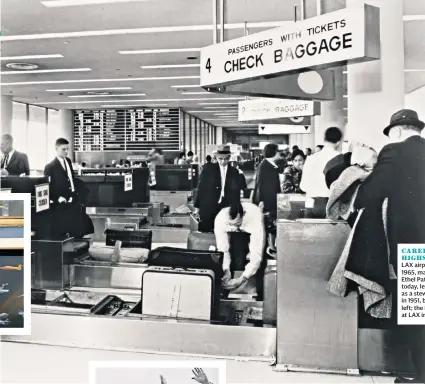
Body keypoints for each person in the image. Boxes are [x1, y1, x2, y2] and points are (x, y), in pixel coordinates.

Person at [353, 109, 425, 384]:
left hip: (414, 246)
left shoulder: (393, 151)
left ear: (395, 132)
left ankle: (420, 376)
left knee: (417, 311)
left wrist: (367, 167)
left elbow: (369, 196)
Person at [215, 189, 265, 291]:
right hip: (234, 240)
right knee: (235, 254)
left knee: (258, 263)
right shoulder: (220, 219)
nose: (234, 226)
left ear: (243, 215)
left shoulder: (254, 216)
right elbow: (223, 249)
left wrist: (243, 278)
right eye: (231, 224)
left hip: (251, 231)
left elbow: (256, 253)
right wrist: (226, 270)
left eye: (237, 223)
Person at [194, 145, 242, 232]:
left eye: (226, 159)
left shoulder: (234, 171)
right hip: (209, 206)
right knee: (207, 231)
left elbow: (236, 192)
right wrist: (197, 206)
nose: (223, 161)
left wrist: (238, 210)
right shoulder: (208, 169)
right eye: (220, 159)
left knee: (224, 232)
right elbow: (201, 188)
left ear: (229, 157)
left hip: (226, 207)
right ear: (216, 157)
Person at [44, 138, 82, 238]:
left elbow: (71, 178)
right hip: (61, 202)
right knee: (62, 228)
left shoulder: (68, 161)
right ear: (56, 149)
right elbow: (47, 186)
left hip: (72, 198)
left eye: (67, 149)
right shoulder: (50, 167)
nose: (66, 152)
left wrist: (74, 193)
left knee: (74, 227)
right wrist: (57, 198)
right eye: (63, 149)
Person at [300, 127, 342, 215]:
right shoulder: (341, 159)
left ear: (324, 139)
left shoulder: (311, 158)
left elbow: (303, 186)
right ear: (338, 142)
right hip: (331, 205)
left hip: (310, 203)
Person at [252, 143, 281, 214]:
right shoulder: (264, 166)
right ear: (273, 152)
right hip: (266, 202)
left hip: (271, 199)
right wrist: (261, 201)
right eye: (277, 151)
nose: (279, 153)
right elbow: (260, 184)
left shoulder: (270, 164)